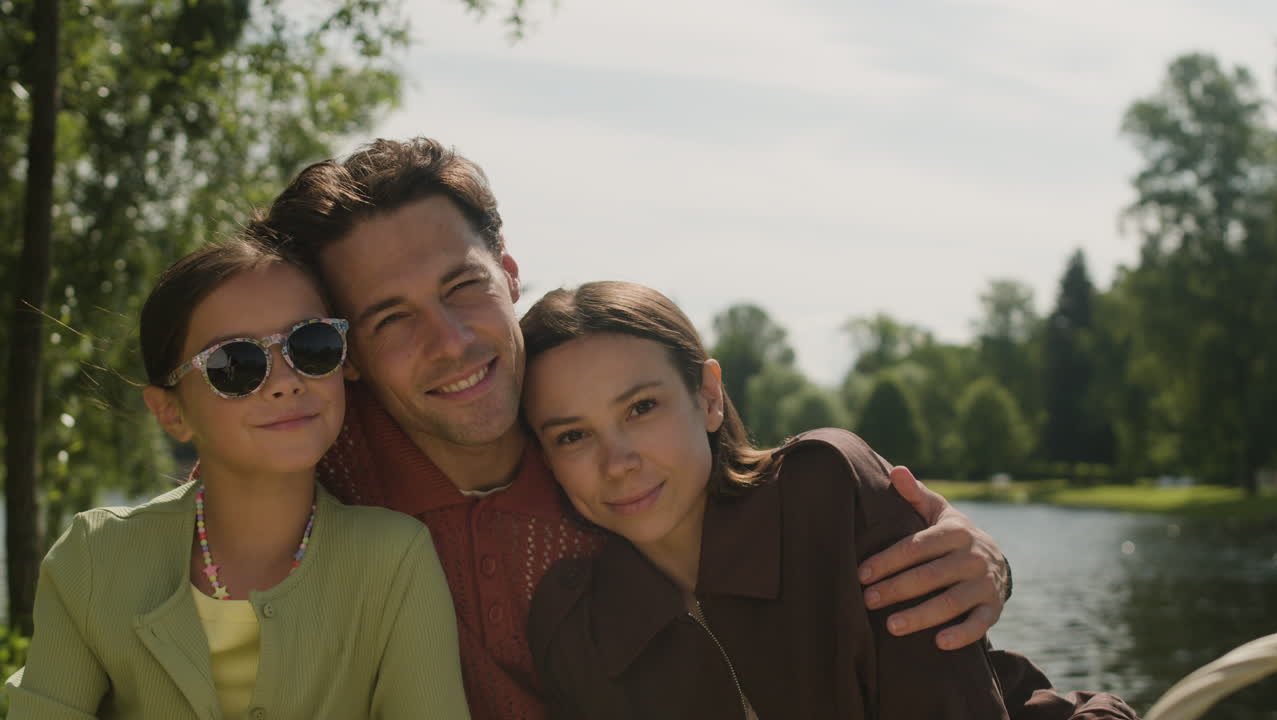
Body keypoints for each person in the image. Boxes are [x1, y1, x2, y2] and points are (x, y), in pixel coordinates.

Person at [256, 137, 1012, 720]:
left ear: (509, 274)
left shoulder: (603, 468)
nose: (450, 341)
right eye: (391, 318)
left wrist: (974, 552)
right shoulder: (315, 456)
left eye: (464, 287)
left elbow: (772, 506)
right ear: (347, 350)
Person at [519, 280, 1138, 720]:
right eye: (573, 435)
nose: (618, 461)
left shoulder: (828, 492)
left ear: (708, 396)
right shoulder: (573, 625)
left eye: (641, 407)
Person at [4, 236, 471, 719]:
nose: (287, 380)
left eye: (312, 345)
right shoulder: (94, 558)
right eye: (235, 364)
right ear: (171, 413)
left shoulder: (395, 560)